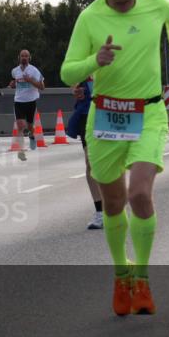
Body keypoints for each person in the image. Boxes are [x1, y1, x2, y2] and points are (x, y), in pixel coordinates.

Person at [60, 0, 169, 317]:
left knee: (139, 195)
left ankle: (142, 278)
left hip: (148, 113)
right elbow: (67, 72)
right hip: (105, 116)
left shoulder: (155, 5)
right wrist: (94, 61)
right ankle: (122, 274)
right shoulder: (89, 18)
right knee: (114, 204)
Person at [67, 78, 104, 230]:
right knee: (91, 162)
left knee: (109, 163)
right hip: (87, 114)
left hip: (109, 112)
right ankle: (100, 211)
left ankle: (115, 203)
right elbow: (73, 77)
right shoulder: (85, 63)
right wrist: (76, 88)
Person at [8, 49, 45, 160]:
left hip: (31, 101)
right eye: (22, 56)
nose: (24, 57)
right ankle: (21, 151)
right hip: (19, 101)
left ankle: (32, 135)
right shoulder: (14, 71)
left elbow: (42, 87)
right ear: (19, 57)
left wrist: (30, 80)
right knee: (20, 126)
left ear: (29, 58)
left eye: (26, 56)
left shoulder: (34, 70)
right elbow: (14, 84)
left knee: (29, 126)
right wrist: (12, 85)